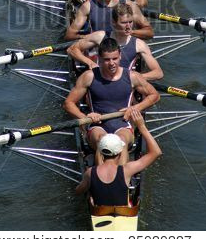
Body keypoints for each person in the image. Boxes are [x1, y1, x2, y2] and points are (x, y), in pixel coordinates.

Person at [63, 37, 160, 165]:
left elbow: (154, 95)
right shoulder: (89, 76)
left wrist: (135, 108)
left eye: (115, 58)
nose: (112, 63)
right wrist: (85, 116)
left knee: (121, 142)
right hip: (97, 125)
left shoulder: (132, 76)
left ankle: (121, 177)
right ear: (99, 58)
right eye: (107, 60)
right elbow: (68, 103)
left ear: (120, 56)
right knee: (102, 141)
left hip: (123, 124)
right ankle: (100, 178)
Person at [75, 110, 162, 207]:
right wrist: (142, 127)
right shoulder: (127, 170)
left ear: (101, 150)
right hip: (124, 211)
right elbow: (156, 152)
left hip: (99, 210)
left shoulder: (90, 172)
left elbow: (78, 191)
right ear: (120, 152)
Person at [67, 2, 163, 81]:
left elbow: (158, 73)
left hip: (125, 84)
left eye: (130, 22)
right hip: (100, 81)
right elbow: (71, 50)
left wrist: (134, 77)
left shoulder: (139, 44)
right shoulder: (100, 36)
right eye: (124, 23)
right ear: (113, 22)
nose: (128, 27)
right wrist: (90, 63)